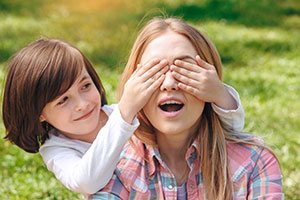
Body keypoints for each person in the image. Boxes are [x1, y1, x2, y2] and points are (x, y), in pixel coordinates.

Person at [2, 36, 243, 198]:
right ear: (39, 114)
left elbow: (229, 133)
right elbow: (88, 182)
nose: (82, 104)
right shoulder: (58, 149)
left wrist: (218, 94)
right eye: (63, 100)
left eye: (85, 86)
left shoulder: (120, 115)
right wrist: (126, 113)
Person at [92, 18, 283, 199]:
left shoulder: (254, 162)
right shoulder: (114, 166)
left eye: (184, 70)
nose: (169, 83)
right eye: (155, 71)